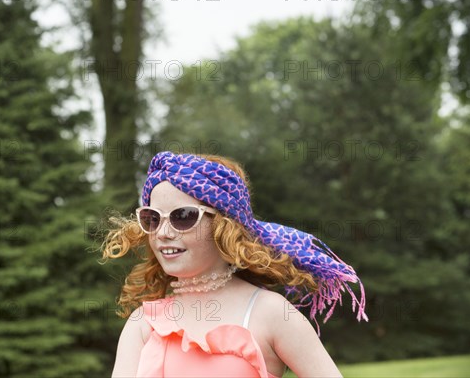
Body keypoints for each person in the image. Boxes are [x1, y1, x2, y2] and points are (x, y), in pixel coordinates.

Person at [102, 151, 367, 378]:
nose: (163, 232)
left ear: (223, 227)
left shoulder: (270, 314)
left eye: (182, 217)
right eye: (153, 219)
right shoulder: (143, 324)